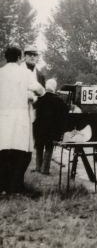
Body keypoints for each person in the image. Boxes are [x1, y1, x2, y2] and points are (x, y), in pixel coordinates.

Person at [0, 47, 45, 194]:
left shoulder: (1, 73)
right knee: (22, 153)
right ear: (20, 57)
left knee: (4, 151)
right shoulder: (24, 73)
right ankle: (15, 186)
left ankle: (3, 186)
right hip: (20, 116)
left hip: (3, 116)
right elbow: (39, 89)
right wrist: (33, 96)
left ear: (6, 57)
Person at [33, 79, 69, 174]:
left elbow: (34, 113)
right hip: (51, 131)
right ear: (54, 88)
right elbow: (64, 116)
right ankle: (45, 170)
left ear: (46, 86)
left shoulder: (39, 99)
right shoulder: (59, 101)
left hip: (39, 130)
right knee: (49, 149)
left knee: (39, 148)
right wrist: (60, 132)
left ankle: (38, 167)